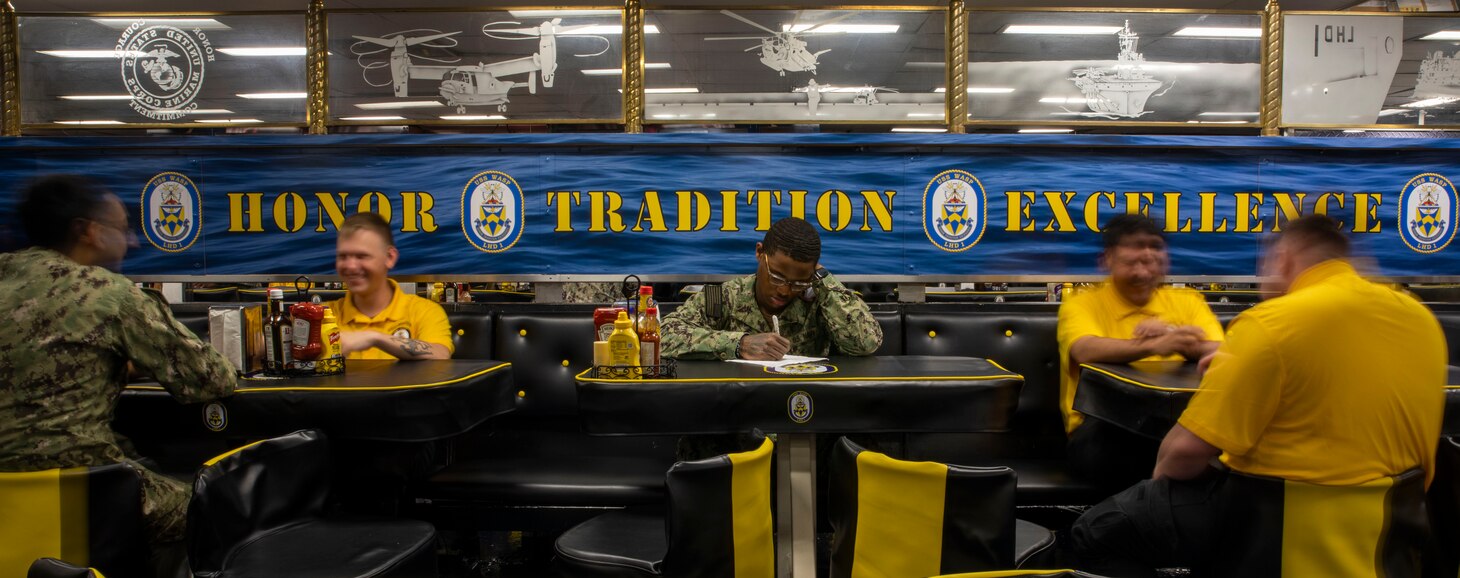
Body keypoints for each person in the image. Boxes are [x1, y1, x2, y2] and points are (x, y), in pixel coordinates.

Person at [1071, 215, 1446, 577]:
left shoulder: (1272, 322)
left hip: (1280, 519)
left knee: (1097, 531)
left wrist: (1158, 492)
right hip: (1395, 523)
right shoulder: (1421, 320)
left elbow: (1179, 458)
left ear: (1283, 260)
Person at [0, 175, 237, 570]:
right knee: (219, 507)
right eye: (122, 230)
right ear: (88, 231)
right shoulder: (108, 294)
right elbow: (211, 378)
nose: (133, 242)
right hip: (83, 490)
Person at [1056, 214, 1224, 488]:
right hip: (1102, 431)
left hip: (1179, 427)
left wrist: (1170, 335)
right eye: (1135, 245)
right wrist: (1153, 346)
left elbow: (1219, 351)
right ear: (1107, 258)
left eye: (1155, 246)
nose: (1147, 253)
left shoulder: (1188, 302)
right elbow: (1084, 348)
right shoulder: (1082, 304)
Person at [662, 216, 882, 360]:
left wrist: (821, 279)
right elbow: (664, 336)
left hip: (807, 417)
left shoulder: (821, 302)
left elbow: (866, 343)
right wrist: (739, 344)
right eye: (777, 276)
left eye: (798, 282)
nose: (785, 291)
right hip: (738, 418)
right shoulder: (721, 297)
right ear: (760, 253)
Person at [326, 212, 453, 360]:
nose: (351, 266)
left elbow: (441, 355)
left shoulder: (424, 312)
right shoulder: (323, 316)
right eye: (343, 256)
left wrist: (373, 338)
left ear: (390, 257)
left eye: (361, 256)